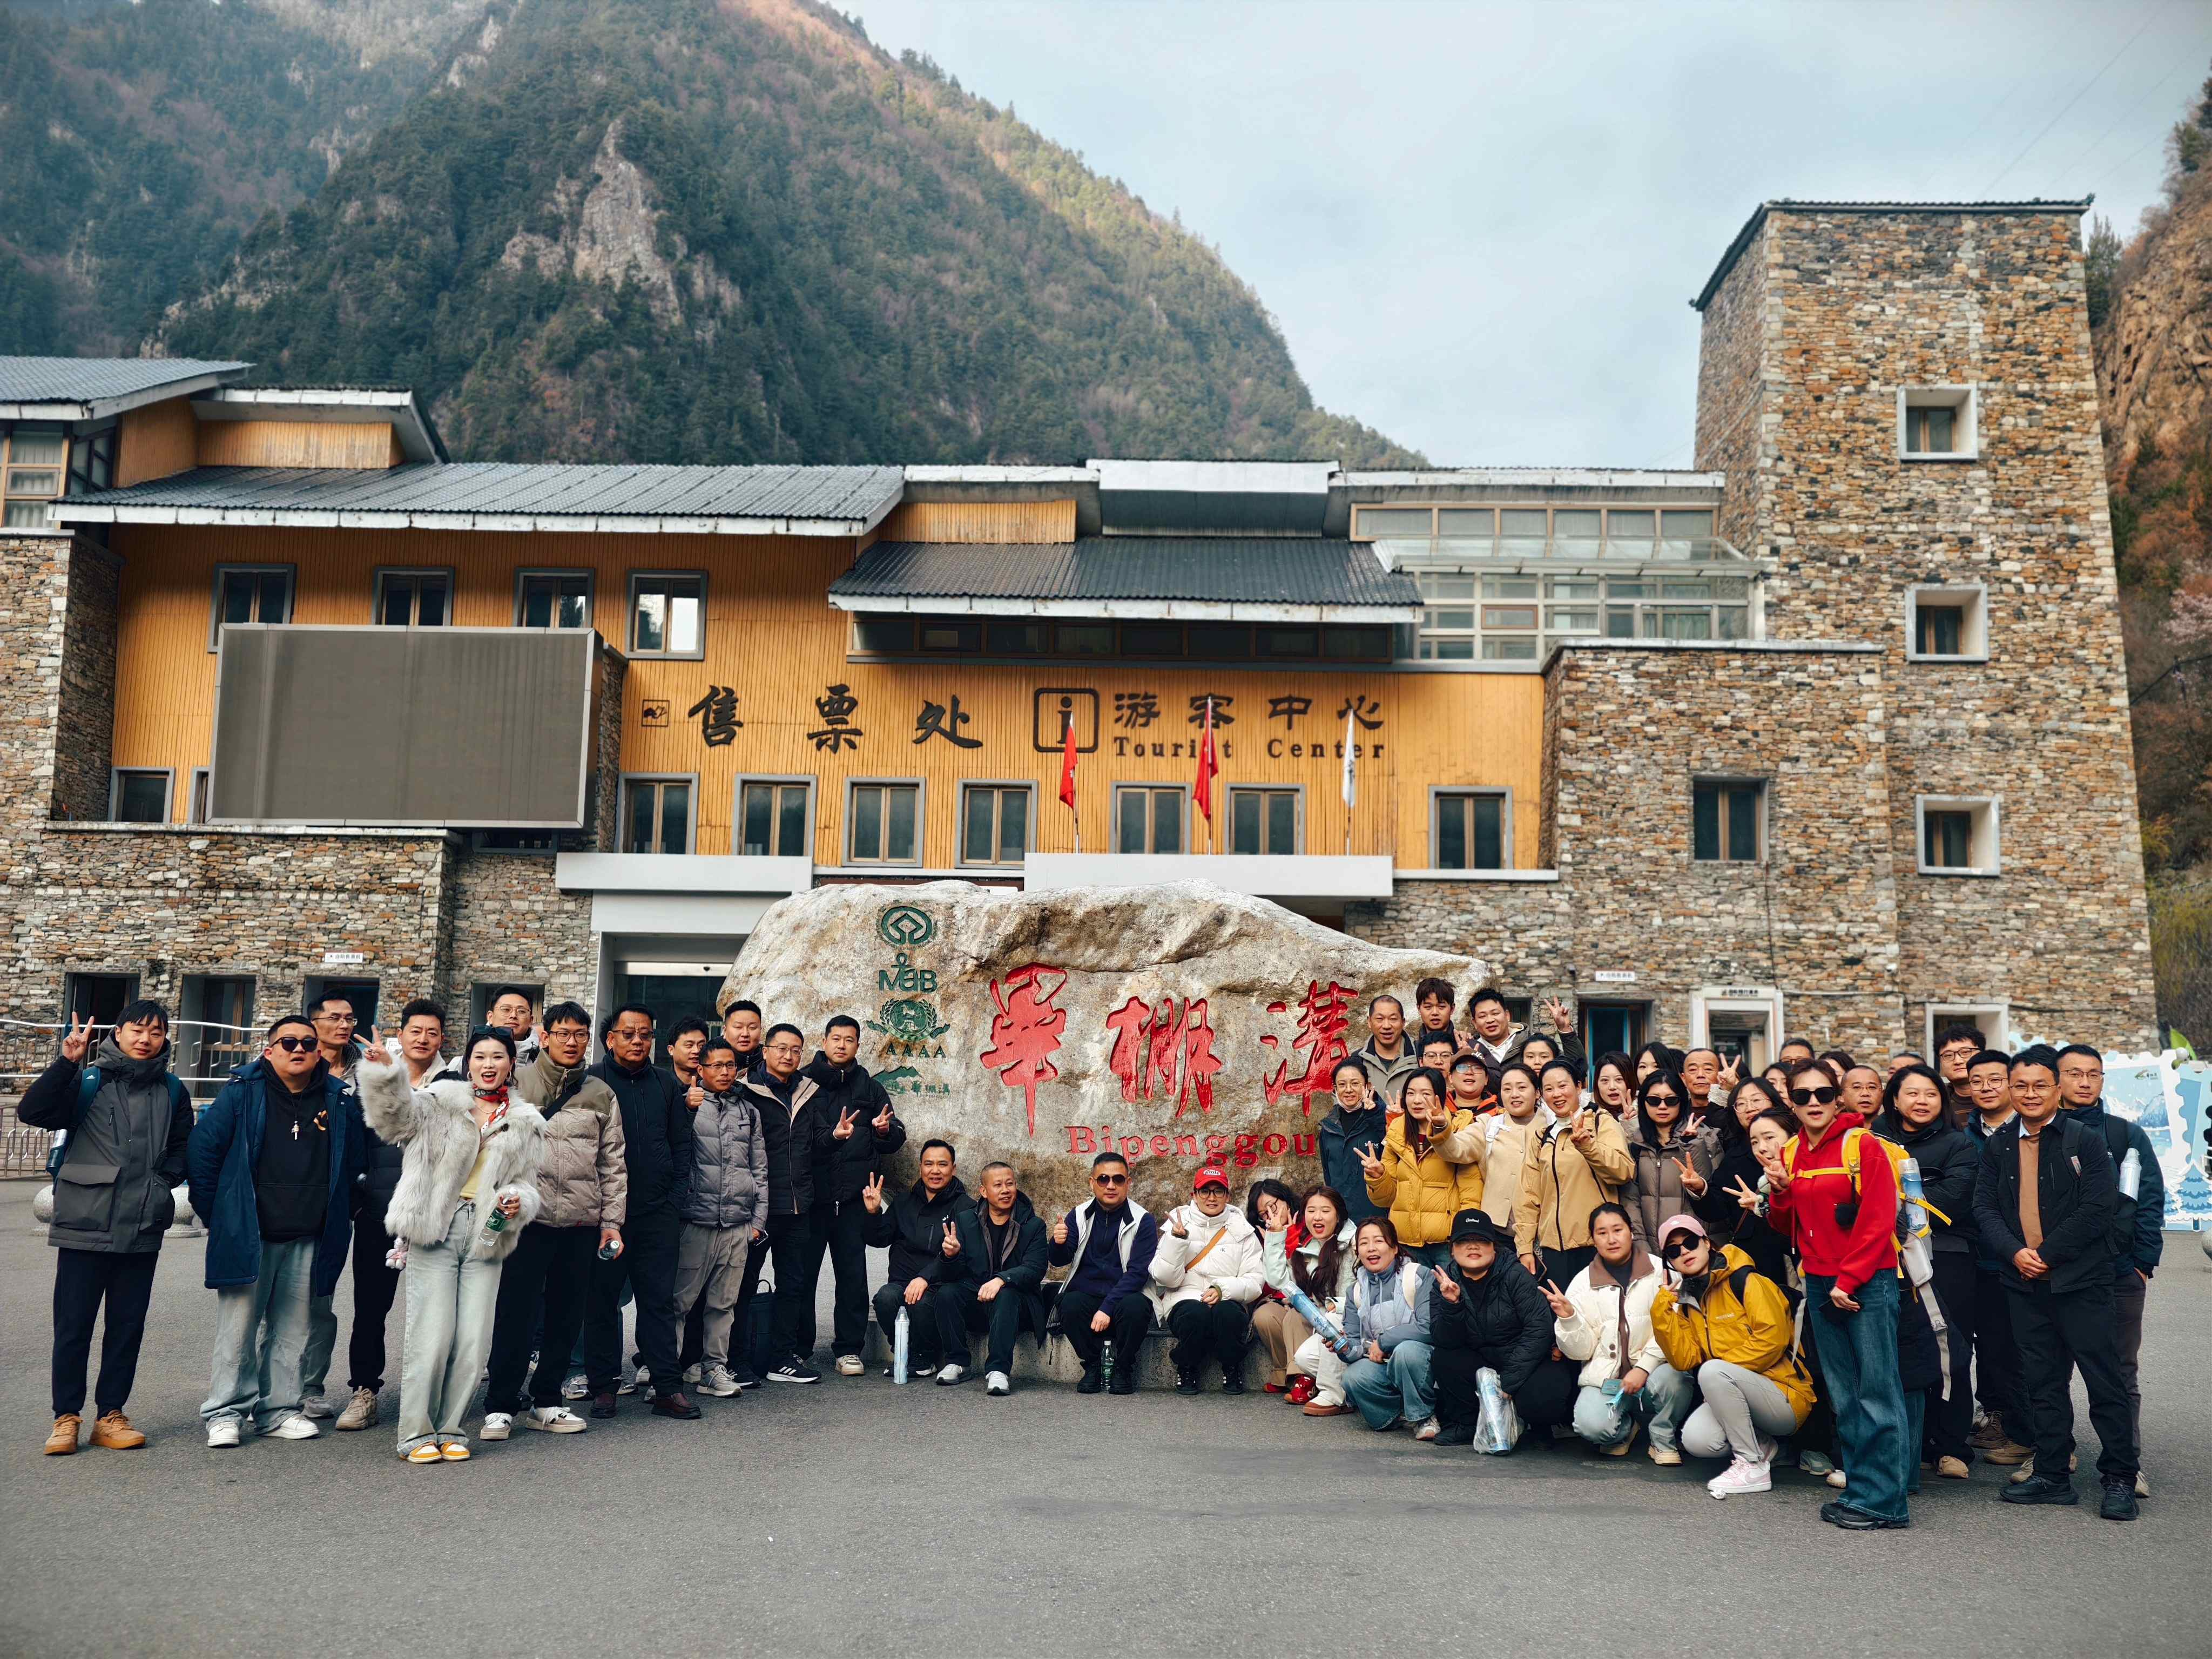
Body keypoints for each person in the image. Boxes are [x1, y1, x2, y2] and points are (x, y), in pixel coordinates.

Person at [359, 1027, 545, 1462]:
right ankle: (415, 1434)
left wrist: (517, 1201)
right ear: (467, 1063)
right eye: (480, 1056)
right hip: (435, 1227)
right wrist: (386, 1073)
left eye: (497, 1056)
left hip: (487, 1233)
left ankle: (451, 1428)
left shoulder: (527, 1121)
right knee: (432, 1335)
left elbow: (528, 1184)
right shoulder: (439, 1101)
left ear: (511, 1064)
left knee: (474, 1342)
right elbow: (392, 1121)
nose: (488, 1064)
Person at [1972, 1046, 2136, 1520]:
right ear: (2010, 1089)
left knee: (2104, 1382)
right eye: (2020, 1085)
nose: (2030, 1094)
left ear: (2057, 1089)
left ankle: (2121, 1478)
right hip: (2024, 1284)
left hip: (2082, 1282)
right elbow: (1984, 1206)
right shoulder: (2000, 1144)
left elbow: (2098, 1210)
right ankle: (2052, 1475)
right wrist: (2014, 1252)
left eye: (2040, 1085)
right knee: (2042, 1384)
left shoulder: (2084, 1140)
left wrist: (2045, 1256)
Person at [188, 1013, 366, 1449]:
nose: (299, 1049)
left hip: (310, 1234)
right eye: (289, 1043)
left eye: (308, 1043)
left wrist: (340, 1214)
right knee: (238, 1330)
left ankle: (279, 1410)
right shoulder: (242, 1093)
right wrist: (222, 1216)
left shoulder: (338, 1099)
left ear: (318, 1052)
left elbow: (354, 1164)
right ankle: (225, 1412)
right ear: (269, 1051)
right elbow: (203, 1154)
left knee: (292, 1330)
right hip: (251, 1232)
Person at [26, 1002, 192, 1455]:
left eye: (156, 1032)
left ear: (165, 1038)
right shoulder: (89, 1081)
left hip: (142, 1224)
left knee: (126, 1327)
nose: (146, 1039)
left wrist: (162, 1184)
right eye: (137, 1030)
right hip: (85, 1221)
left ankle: (110, 1416)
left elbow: (183, 1146)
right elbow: (33, 1111)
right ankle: (66, 1417)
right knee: (73, 1327)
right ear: (117, 1034)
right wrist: (67, 1063)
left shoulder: (173, 1090)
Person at [1761, 1057, 1911, 1530]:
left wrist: (1849, 1280)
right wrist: (1779, 1192)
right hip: (1821, 1280)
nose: (1813, 1103)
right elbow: (1786, 1226)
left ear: (1838, 1098)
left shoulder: (1863, 1145)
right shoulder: (1790, 1152)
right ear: (1790, 1102)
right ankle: (1863, 1492)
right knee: (1845, 1395)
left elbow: (1878, 1219)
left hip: (1865, 1281)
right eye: (1802, 1095)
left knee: (1877, 1392)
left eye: (1823, 1094)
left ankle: (1886, 1502)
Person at [490, 1000, 623, 1436]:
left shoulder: (601, 1093)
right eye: (563, 1034)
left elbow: (612, 1164)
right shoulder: (518, 1082)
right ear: (545, 1036)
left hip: (581, 1222)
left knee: (567, 1318)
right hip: (529, 1220)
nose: (572, 1042)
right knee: (517, 1314)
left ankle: (547, 1401)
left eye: (580, 1035)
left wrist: (611, 1222)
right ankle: (501, 1403)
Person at [322, 997, 452, 1433]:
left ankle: (432, 1395)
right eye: (416, 1031)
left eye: (432, 1032)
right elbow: (354, 1144)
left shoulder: (454, 1084)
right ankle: (365, 1391)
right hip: (378, 1212)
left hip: (434, 1216)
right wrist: (358, 1200)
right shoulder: (374, 1077)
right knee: (371, 1309)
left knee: (436, 1312)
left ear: (442, 1038)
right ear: (402, 1034)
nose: (424, 1039)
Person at [2057, 1043, 2163, 1500]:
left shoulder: (2125, 1134)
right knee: (2050, 1369)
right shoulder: (2039, 1132)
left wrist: (2142, 1263)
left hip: (2119, 1271)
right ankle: (2054, 1454)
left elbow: (2150, 1201)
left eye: (2093, 1074)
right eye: (2075, 1073)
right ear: (2057, 1079)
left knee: (2120, 1371)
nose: (2085, 1082)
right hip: (2054, 1271)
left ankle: (2127, 1463)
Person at [585, 1004, 698, 1419]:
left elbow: (681, 1145)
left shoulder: (666, 1084)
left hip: (657, 1215)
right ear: (610, 1039)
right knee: (602, 1302)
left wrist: (674, 1201)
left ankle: (667, 1387)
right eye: (629, 1033)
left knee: (658, 1303)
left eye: (645, 1034)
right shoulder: (591, 1082)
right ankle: (604, 1387)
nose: (638, 1041)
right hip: (605, 1219)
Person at [1650, 1213, 1813, 1498]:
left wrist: (1721, 1372)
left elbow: (1773, 1339)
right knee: (1697, 1440)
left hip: (1784, 1395)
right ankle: (1761, 1445)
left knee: (1712, 1371)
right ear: (1670, 1263)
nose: (1684, 1252)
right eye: (1674, 1251)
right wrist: (1661, 1310)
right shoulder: (1689, 1301)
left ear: (1707, 1243)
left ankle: (1752, 1466)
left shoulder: (1746, 1280)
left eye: (1690, 1242)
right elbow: (1684, 1360)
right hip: (1738, 1394)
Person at [1872, 1063, 1978, 1480]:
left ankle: (1951, 1445)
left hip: (1946, 1256)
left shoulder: (1958, 1143)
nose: (1922, 1101)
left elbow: (1954, 1197)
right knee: (1903, 1352)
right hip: (1886, 1256)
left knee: (1953, 1350)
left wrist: (1891, 1199)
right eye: (1912, 1093)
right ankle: (1909, 1442)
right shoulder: (1871, 1140)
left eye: (1931, 1094)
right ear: (1895, 1099)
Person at [797, 1015, 906, 1378]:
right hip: (812, 1199)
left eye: (849, 1040)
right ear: (824, 1042)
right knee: (802, 1278)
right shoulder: (804, 1083)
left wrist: (884, 1131)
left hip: (854, 1200)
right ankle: (797, 1349)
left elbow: (895, 1136)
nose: (842, 1045)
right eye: (836, 1038)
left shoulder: (870, 1088)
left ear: (858, 1045)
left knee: (852, 1279)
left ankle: (848, 1350)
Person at [1541, 1201, 1692, 1462]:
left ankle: (1662, 1437)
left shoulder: (1662, 1272)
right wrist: (1569, 1319)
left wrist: (1643, 1368)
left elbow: (1677, 1329)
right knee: (1591, 1427)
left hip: (1654, 1374)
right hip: (1607, 1381)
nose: (1611, 1239)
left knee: (1676, 1380)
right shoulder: (1581, 1283)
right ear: (1593, 1239)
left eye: (1618, 1230)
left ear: (1631, 1232)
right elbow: (1580, 1352)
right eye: (1602, 1233)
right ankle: (1624, 1430)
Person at [732, 1022, 832, 1385]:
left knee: (793, 1285)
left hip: (797, 1206)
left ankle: (782, 1358)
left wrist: (836, 1136)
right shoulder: (745, 1091)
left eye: (795, 1050)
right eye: (781, 1048)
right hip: (757, 1207)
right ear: (766, 1051)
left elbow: (817, 1143)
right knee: (744, 1284)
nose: (788, 1056)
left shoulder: (808, 1091)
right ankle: (736, 1359)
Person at [667, 1038, 766, 1399]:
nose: (725, 1072)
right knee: (679, 1304)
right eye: (716, 1066)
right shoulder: (685, 1104)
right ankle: (667, 1375)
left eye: (731, 1065)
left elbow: (759, 1169)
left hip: (738, 1224)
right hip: (696, 1221)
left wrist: (758, 1221)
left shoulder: (748, 1111)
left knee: (723, 1306)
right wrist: (687, 1110)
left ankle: (714, 1370)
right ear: (701, 1069)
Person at [1428, 1208, 1576, 1448]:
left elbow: (1539, 1330)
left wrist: (1508, 1382)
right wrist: (1452, 1305)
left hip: (1520, 1357)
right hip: (1477, 1358)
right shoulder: (1445, 1282)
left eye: (1481, 1240)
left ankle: (1538, 1426)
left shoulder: (1515, 1274)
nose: (1473, 1246)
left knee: (1544, 1399)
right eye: (1464, 1241)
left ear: (1494, 1247)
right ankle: (1466, 1424)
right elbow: (1444, 1340)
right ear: (1452, 1249)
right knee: (1443, 1358)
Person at [296, 992, 363, 1423]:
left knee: (320, 1301)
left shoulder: (366, 1072)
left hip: (338, 1204)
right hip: (289, 1200)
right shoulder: (293, 1064)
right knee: (273, 1304)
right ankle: (266, 1387)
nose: (344, 1025)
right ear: (314, 1023)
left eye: (350, 1019)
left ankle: (310, 1387)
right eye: (335, 1018)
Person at [1963, 1048, 2031, 1468]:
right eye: (1977, 1081)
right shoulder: (1964, 1135)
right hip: (1980, 1260)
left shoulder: (2031, 1130)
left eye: (1995, 1079)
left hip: (2026, 1258)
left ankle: (2042, 1437)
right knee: (1993, 1349)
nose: (1986, 1088)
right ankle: (2005, 1424)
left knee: (2029, 1351)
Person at [861, 1139, 974, 1379]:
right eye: (929, 1164)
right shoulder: (903, 1202)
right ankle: (905, 1352)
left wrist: (925, 1277)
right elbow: (878, 1239)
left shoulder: (965, 1207)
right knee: (886, 1298)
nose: (935, 1171)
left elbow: (965, 1255)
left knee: (923, 1303)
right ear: (921, 1167)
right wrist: (873, 1212)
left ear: (953, 1169)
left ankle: (924, 1357)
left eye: (943, 1164)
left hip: (938, 1284)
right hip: (901, 1282)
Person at [1148, 1164, 1266, 1392]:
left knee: (1228, 1314)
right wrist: (1176, 1241)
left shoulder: (1242, 1230)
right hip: (1184, 1298)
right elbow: (1164, 1279)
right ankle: (1187, 1368)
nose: (1212, 1198)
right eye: (1205, 1191)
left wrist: (1223, 1290)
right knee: (1196, 1314)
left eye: (1218, 1191)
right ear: (1194, 1195)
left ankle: (1232, 1367)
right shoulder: (1177, 1224)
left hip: (1228, 1297)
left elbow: (1255, 1279)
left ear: (1227, 1196)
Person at [1048, 1153, 1159, 1394]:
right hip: (1086, 1294)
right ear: (1092, 1182)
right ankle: (1092, 1365)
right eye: (1103, 1179)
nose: (1111, 1185)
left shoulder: (1143, 1220)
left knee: (1137, 1307)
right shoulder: (1079, 1215)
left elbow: (1138, 1274)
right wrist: (1057, 1243)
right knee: (1069, 1304)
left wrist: (1107, 1308)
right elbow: (1059, 1260)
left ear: (1128, 1183)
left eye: (1118, 1179)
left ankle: (1124, 1367)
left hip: (1125, 1295)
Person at [1515, 1059, 1632, 1286]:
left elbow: (1623, 1171)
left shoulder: (1601, 1122)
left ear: (1579, 1087)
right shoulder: (1541, 1137)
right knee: (1560, 1307)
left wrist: (1588, 1147)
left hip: (1596, 1242)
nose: (1557, 1094)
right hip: (1553, 1249)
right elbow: (1528, 1197)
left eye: (1563, 1086)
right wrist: (1525, 1247)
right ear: (1541, 1095)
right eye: (1549, 1089)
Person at [939, 1160, 1050, 1394]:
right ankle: (958, 1362)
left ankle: (998, 1370)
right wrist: (951, 1256)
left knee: (1007, 1294)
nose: (1005, 1190)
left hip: (1017, 1307)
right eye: (998, 1185)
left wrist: (1001, 1279)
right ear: (984, 1191)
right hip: (978, 1301)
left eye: (1010, 1184)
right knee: (947, 1293)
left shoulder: (1033, 1225)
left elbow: (1035, 1269)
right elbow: (953, 1274)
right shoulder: (966, 1221)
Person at [1314, 1216, 1434, 1431]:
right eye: (1364, 1243)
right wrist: (1342, 1347)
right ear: (1357, 1252)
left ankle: (1424, 1416)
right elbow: (1356, 1347)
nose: (1371, 1248)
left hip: (1422, 1361)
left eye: (1379, 1241)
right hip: (1384, 1365)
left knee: (1406, 1352)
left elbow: (1427, 1328)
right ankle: (1396, 1416)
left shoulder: (1418, 1276)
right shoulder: (1355, 1291)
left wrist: (1384, 1341)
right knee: (1353, 1376)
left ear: (1395, 1248)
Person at [1357, 1066, 1482, 1264]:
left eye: (1425, 1094)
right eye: (1411, 1093)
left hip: (1447, 1242)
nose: (1416, 1101)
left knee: (1451, 1286)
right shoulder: (1397, 1132)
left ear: (1440, 1097)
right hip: (1406, 1241)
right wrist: (1379, 1176)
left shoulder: (1459, 1130)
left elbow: (1471, 1190)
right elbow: (1386, 1199)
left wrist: (1465, 1234)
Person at [1256, 1186, 1354, 1404]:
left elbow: (1368, 1292)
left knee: (1332, 1320)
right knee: (1303, 1358)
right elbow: (1278, 1281)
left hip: (1355, 1326)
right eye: (1311, 1211)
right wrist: (1275, 1236)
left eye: (1325, 1211)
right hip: (1325, 1330)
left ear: (1339, 1215)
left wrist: (1337, 1307)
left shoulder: (1356, 1242)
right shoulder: (1307, 1247)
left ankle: (1334, 1398)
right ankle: (1346, 1388)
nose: (1318, 1217)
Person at [1697, 1078, 1792, 1287]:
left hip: (1798, 1254)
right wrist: (1699, 1188)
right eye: (1741, 1103)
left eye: (1756, 1100)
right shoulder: (1735, 1156)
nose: (1749, 1108)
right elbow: (1716, 1209)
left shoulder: (1801, 1147)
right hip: (1756, 1260)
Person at [1623, 1068, 1716, 1250]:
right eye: (1654, 1100)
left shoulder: (1706, 1138)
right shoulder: (1635, 1144)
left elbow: (1710, 1195)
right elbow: (1631, 1200)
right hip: (1651, 1251)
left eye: (1671, 1100)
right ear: (1643, 1103)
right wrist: (1642, 1247)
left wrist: (1691, 1144)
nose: (1662, 1107)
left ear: (1682, 1101)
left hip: (1694, 1248)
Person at [1315, 1059, 1388, 1224]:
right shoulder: (1329, 1127)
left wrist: (1376, 1115)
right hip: (1341, 1221)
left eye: (1355, 1084)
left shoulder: (1383, 1120)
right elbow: (1329, 1177)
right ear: (1335, 1089)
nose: (1348, 1090)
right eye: (1342, 1085)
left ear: (1368, 1086)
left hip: (1377, 1218)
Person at [1478, 1062, 1550, 1228]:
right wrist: (1441, 1128)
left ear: (1537, 1093)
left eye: (1522, 1088)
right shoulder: (1490, 1124)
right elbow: (1457, 1149)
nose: (1514, 1095)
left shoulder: (1552, 1128)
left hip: (1540, 1227)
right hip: (1496, 1227)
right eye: (1507, 1089)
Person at [1355, 994, 1416, 1104]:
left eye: (1393, 1019)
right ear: (1369, 1022)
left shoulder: (1420, 1056)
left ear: (1403, 1022)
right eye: (1380, 1019)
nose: (1387, 1026)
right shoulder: (1357, 1061)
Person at [1935, 1022, 1984, 1129]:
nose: (1958, 1061)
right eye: (1948, 1055)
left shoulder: (2007, 1097)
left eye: (1965, 1052)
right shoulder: (1936, 1105)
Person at [487, 986, 542, 1065]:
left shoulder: (542, 1062)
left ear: (531, 1021)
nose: (513, 1015)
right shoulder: (470, 1057)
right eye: (506, 1009)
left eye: (521, 1011)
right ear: (490, 1017)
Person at [720, 999, 766, 1077]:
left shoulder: (771, 1063)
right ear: (725, 1031)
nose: (745, 1034)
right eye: (738, 1027)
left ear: (760, 1031)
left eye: (752, 1028)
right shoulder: (709, 1060)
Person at [1413, 976, 1459, 1046]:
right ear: (1419, 1009)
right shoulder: (1412, 1049)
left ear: (1452, 1009)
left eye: (1441, 1007)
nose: (1435, 1013)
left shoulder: (1467, 1045)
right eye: (1428, 1007)